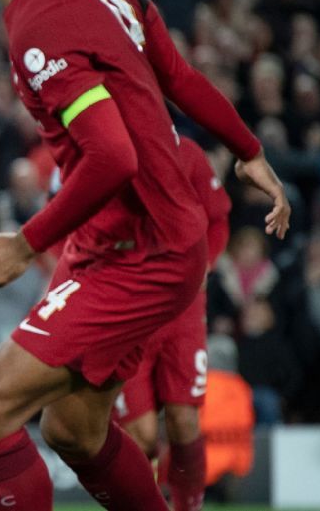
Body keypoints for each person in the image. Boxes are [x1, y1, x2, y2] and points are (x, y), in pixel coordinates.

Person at [0, 0, 289, 511]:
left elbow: (113, 156)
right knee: (73, 429)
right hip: (129, 237)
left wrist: (24, 241)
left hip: (143, 251)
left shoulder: (39, 25)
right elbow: (177, 76)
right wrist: (247, 149)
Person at [112, 136, 230, 511]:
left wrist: (204, 266)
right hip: (128, 311)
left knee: (184, 423)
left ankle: (188, 507)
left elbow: (218, 220)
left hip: (183, 311)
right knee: (140, 435)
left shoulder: (188, 153)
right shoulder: (108, 147)